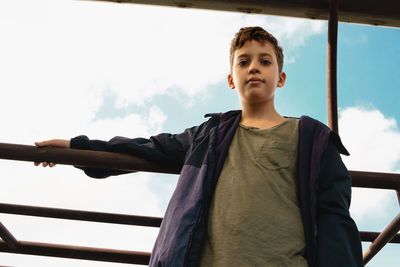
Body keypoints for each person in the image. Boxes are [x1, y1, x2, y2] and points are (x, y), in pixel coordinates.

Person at [35, 26, 363, 267]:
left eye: (265, 61)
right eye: (243, 61)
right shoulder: (209, 135)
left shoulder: (311, 138)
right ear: (232, 79)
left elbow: (335, 215)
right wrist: (73, 148)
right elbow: (146, 148)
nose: (254, 67)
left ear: (280, 78)